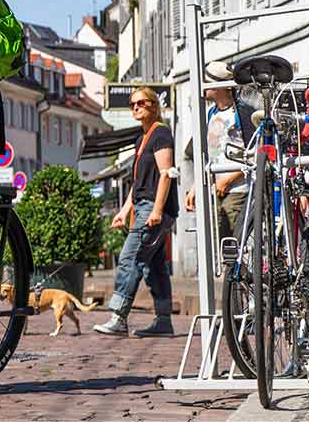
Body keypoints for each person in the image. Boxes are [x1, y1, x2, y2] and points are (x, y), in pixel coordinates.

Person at [94, 87, 178, 337]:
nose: (136, 107)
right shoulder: (141, 139)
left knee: (130, 259)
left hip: (152, 209)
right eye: (132, 104)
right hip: (142, 206)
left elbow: (166, 174)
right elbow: (137, 183)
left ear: (154, 105)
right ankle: (164, 321)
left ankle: (119, 317)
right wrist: (123, 211)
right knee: (155, 267)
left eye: (141, 103)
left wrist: (157, 210)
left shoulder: (161, 133)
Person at [184, 61, 255, 241]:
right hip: (217, 189)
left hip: (238, 189)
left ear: (220, 86)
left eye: (207, 82)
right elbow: (212, 154)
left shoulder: (242, 112)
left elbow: (254, 152)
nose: (203, 87)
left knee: (236, 240)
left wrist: (228, 179)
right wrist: (196, 187)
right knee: (218, 239)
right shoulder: (212, 114)